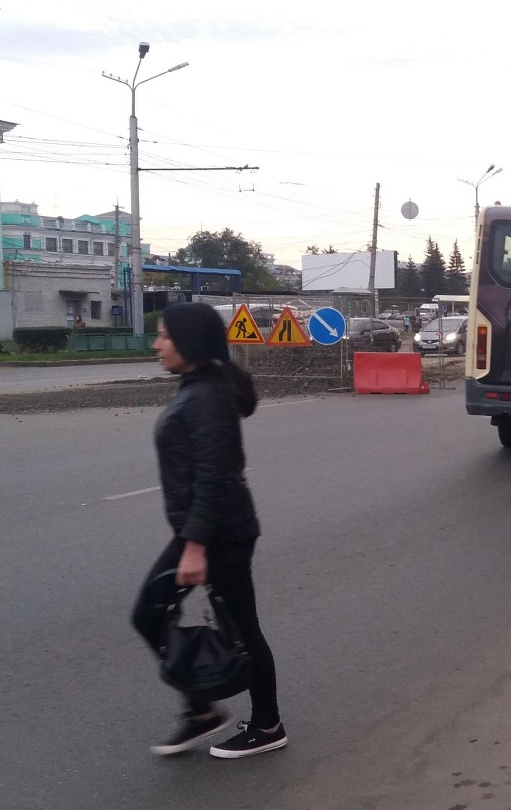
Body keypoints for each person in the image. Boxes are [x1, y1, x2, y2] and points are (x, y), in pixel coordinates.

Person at [132, 303, 287, 759]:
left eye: (163, 336)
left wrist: (195, 546)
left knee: (240, 630)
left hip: (219, 533)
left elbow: (215, 476)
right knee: (153, 614)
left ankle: (267, 725)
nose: (156, 344)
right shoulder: (198, 386)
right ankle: (201, 709)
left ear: (190, 342)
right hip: (206, 530)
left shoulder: (206, 398)